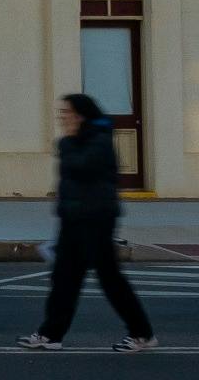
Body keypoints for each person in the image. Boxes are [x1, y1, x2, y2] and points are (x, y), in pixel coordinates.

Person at [25, 90, 156, 351]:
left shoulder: (99, 140)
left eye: (67, 112)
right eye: (61, 113)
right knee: (64, 279)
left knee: (110, 279)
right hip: (73, 220)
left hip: (97, 220)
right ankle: (51, 335)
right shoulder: (74, 142)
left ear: (81, 115)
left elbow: (82, 167)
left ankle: (142, 334)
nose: (63, 118)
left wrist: (67, 144)